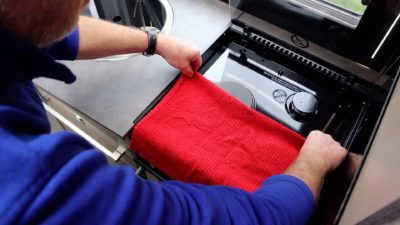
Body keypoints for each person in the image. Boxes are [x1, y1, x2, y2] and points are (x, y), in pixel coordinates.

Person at [0, 0, 348, 224]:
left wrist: (155, 41)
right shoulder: (31, 186)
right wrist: (313, 160)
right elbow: (259, 220)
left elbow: (38, 23)